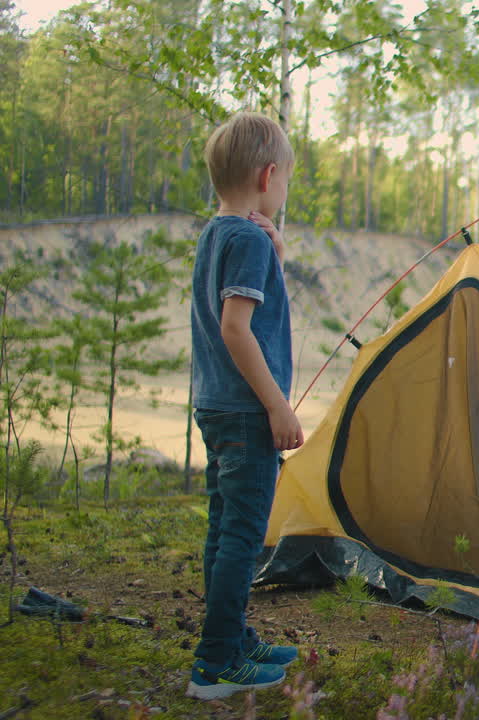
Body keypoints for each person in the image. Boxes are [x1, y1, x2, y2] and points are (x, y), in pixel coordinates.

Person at [186, 111, 304, 700]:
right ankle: (214, 664)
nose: (283, 191)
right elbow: (238, 328)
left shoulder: (218, 233)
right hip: (247, 411)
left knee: (222, 531)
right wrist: (278, 407)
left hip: (215, 406)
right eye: (285, 181)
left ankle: (229, 637)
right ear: (268, 175)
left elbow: (239, 311)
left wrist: (274, 254)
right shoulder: (248, 239)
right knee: (241, 536)